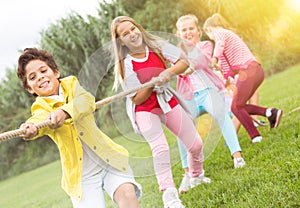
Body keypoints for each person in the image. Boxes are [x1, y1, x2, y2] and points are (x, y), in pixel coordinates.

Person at [17, 48, 142, 208]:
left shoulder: (71, 84)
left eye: (43, 71)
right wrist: (31, 128)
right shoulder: (41, 107)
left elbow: (86, 100)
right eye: (32, 77)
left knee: (127, 196)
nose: (40, 77)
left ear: (55, 72)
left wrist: (64, 112)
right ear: (29, 88)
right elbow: (38, 119)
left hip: (109, 161)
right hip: (82, 177)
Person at [110, 16, 210, 208]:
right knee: (161, 148)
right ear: (120, 41)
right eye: (125, 34)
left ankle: (196, 177)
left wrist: (167, 73)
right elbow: (136, 98)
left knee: (195, 144)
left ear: (138, 27)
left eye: (133, 29)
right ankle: (169, 196)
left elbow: (183, 61)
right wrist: (151, 85)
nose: (132, 34)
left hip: (166, 100)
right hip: (145, 109)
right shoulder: (125, 64)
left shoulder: (156, 44)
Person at [175, 14, 245, 194]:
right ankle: (187, 173)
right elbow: (172, 68)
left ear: (198, 31)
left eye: (191, 28)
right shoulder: (176, 53)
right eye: (184, 30)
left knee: (222, 117)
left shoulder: (205, 45)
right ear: (179, 34)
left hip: (208, 92)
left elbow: (202, 60)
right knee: (181, 129)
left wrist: (186, 65)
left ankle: (237, 156)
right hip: (189, 97)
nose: (188, 32)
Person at [203, 13, 283, 143]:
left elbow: (219, 47)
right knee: (238, 105)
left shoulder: (220, 33)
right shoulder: (225, 42)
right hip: (256, 71)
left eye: (208, 32)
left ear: (211, 28)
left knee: (235, 106)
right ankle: (270, 113)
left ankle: (255, 136)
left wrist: (213, 58)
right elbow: (227, 70)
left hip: (249, 70)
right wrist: (219, 71)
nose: (210, 37)